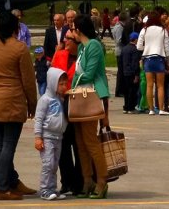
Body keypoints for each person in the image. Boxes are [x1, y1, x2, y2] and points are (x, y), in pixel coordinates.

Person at [0, 11, 38, 201]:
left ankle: (2, 185)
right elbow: (29, 81)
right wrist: (32, 104)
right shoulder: (20, 49)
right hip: (13, 101)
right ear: (15, 28)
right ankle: (3, 188)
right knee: (8, 146)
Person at [71, 15, 111, 199]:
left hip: (92, 95)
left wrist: (71, 85)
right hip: (80, 96)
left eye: (73, 29)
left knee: (91, 142)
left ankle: (101, 180)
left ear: (79, 29)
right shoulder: (81, 48)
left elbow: (89, 73)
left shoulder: (93, 45)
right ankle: (87, 180)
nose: (72, 33)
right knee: (80, 143)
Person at [34, 68, 70, 201]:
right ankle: (44, 189)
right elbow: (39, 118)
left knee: (54, 165)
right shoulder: (45, 100)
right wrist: (38, 137)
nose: (63, 87)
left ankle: (52, 189)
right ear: (52, 83)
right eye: (60, 84)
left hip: (58, 137)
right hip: (47, 137)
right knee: (48, 164)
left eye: (65, 84)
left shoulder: (61, 99)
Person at [136, 11, 169, 115]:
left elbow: (139, 46)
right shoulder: (163, 30)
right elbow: (167, 47)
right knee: (160, 85)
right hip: (159, 58)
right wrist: (167, 61)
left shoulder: (144, 30)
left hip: (147, 58)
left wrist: (146, 48)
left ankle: (151, 109)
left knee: (149, 85)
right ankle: (161, 108)